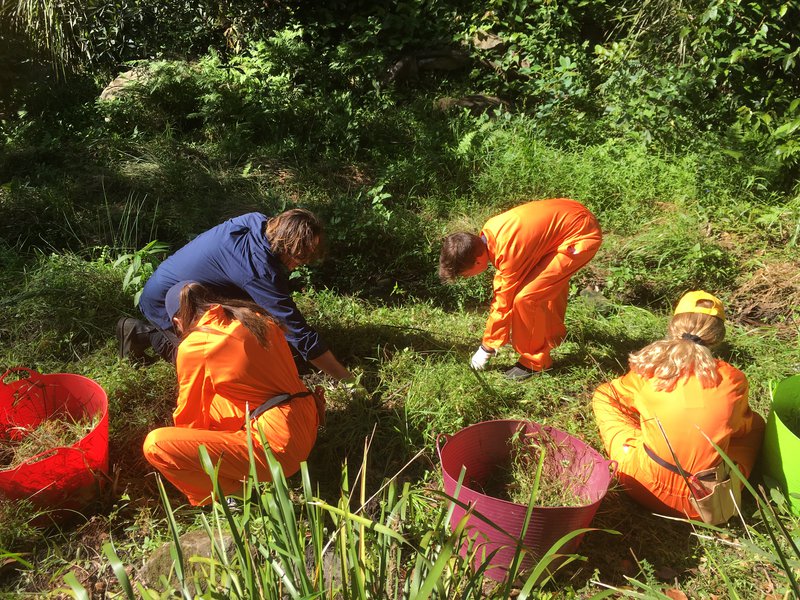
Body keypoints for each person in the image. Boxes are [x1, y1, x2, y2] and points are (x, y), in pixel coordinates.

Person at [142, 281, 324, 506]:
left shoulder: (196, 345)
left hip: (280, 451)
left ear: (178, 322)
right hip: (309, 419)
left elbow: (189, 419)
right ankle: (242, 467)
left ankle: (238, 494)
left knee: (156, 445)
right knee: (217, 401)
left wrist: (190, 458)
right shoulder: (254, 317)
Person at [117, 209, 353, 381]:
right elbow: (296, 330)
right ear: (286, 246)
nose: (299, 266)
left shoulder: (257, 222)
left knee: (261, 340)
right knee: (212, 368)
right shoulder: (258, 269)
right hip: (165, 304)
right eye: (300, 258)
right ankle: (142, 333)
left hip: (190, 288)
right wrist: (346, 378)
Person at [592, 290, 765, 522]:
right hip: (708, 503)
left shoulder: (653, 368)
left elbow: (616, 395)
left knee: (604, 395)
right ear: (718, 336)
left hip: (642, 486)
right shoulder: (733, 379)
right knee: (755, 426)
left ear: (673, 328)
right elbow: (741, 427)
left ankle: (638, 442)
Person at [439, 198, 602, 380]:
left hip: (581, 234)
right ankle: (554, 336)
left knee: (527, 298)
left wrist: (486, 348)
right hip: (571, 216)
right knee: (545, 285)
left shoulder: (507, 252)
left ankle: (534, 363)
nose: (467, 278)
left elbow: (503, 303)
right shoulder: (490, 232)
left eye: (466, 274)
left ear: (477, 260)